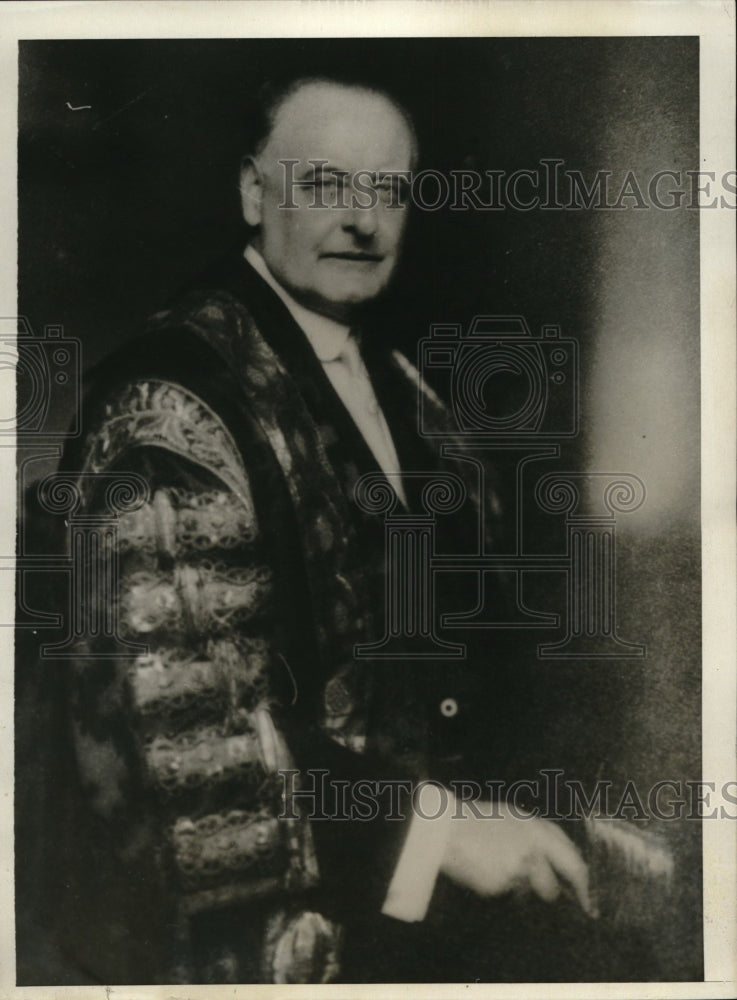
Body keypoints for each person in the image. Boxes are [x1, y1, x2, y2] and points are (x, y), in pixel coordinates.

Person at [39, 74, 602, 985]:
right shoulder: (170, 403)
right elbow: (183, 734)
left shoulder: (403, 389)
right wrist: (432, 831)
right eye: (327, 185)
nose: (363, 221)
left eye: (386, 191)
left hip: (423, 925)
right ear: (253, 193)